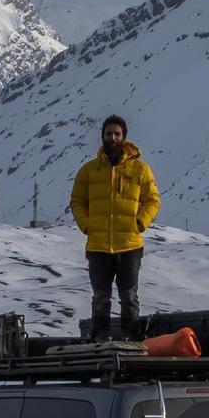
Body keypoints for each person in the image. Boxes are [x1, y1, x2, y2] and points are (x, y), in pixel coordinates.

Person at [69, 114, 161, 342]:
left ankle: (133, 340)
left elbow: (153, 199)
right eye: (109, 133)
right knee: (101, 297)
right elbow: (77, 201)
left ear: (124, 137)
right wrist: (87, 225)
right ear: (102, 136)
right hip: (99, 245)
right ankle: (99, 340)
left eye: (117, 134)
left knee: (129, 296)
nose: (112, 137)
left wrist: (140, 222)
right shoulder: (88, 171)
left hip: (129, 244)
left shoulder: (140, 169)